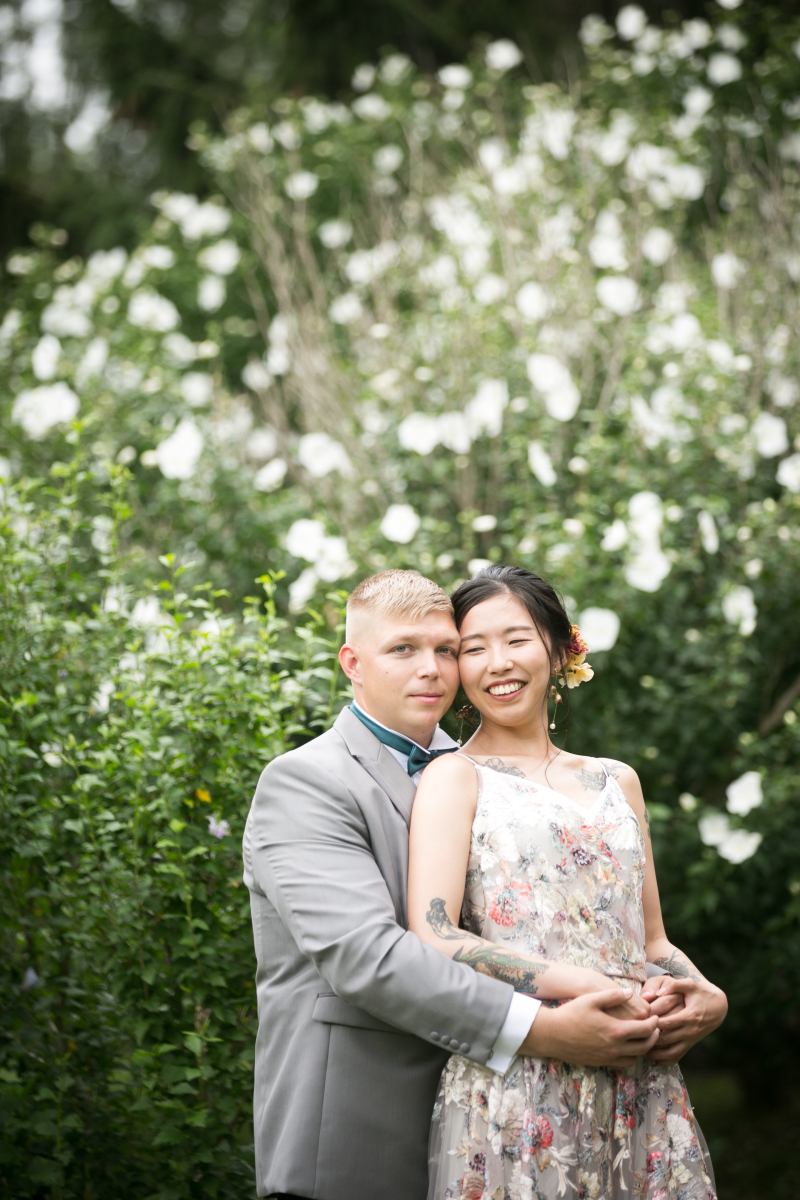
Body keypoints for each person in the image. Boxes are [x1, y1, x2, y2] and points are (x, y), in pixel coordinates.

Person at [243, 570, 669, 1200]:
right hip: (358, 1141)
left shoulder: (480, 773)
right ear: (351, 664)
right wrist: (546, 1030)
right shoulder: (306, 782)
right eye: (403, 650)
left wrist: (698, 994)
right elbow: (368, 959)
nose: (432, 669)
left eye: (446, 649)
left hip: (508, 1123)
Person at [407, 565, 728, 1199]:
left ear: (559, 648)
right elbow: (435, 933)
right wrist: (580, 985)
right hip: (519, 1079)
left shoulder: (617, 779)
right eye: (474, 648)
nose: (498, 662)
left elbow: (653, 942)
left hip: (638, 1078)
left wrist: (705, 994)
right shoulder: (454, 777)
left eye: (517, 639)